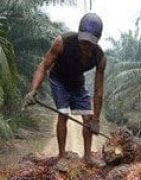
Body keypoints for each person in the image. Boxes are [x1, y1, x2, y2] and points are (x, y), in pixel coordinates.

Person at [24, 13, 107, 167]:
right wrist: (33, 90)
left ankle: (88, 156)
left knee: (87, 118)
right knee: (63, 113)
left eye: (90, 43)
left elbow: (98, 90)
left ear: (97, 40)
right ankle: (61, 156)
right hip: (59, 80)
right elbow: (43, 66)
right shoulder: (62, 42)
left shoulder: (100, 57)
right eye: (83, 41)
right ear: (79, 34)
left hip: (77, 82)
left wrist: (96, 120)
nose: (86, 46)